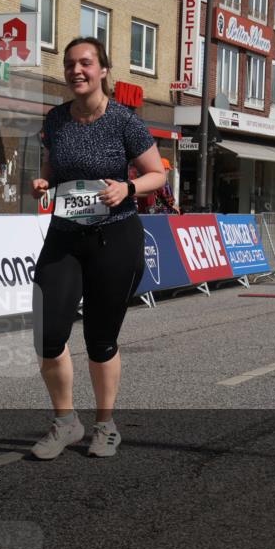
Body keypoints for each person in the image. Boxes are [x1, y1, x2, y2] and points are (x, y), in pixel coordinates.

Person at [29, 37, 167, 460]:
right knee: (48, 333)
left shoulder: (124, 120)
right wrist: (43, 182)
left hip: (115, 237)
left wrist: (128, 187)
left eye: (85, 63)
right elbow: (52, 168)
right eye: (70, 64)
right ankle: (66, 421)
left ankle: (105, 426)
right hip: (65, 235)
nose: (76, 71)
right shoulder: (55, 119)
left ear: (103, 70)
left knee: (100, 337)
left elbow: (157, 175)